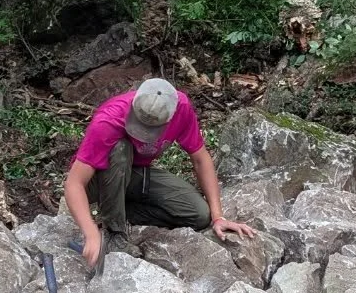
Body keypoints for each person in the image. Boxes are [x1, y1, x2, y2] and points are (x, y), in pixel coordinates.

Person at [64, 78, 256, 268]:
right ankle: (115, 234)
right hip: (98, 181)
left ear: (170, 118)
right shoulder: (108, 120)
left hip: (134, 174)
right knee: (121, 149)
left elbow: (200, 159)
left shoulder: (181, 108)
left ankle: (121, 211)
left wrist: (218, 217)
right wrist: (91, 233)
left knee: (198, 215)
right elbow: (74, 184)